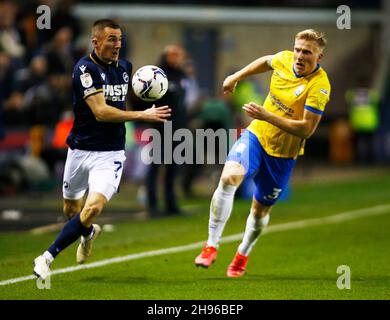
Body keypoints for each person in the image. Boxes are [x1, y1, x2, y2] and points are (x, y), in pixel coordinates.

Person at [33, 19, 171, 280]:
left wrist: (152, 94)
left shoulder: (126, 68)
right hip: (80, 149)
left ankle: (46, 257)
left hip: (111, 154)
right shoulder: (84, 69)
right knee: (72, 211)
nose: (117, 44)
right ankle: (88, 233)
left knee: (93, 207)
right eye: (111, 39)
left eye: (119, 39)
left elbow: (126, 100)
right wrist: (143, 115)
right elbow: (101, 112)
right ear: (95, 41)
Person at [194, 29, 331, 277]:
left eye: (307, 52)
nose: (299, 56)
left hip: (283, 155)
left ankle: (242, 253)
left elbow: (307, 130)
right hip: (257, 135)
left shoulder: (319, 87)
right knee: (227, 178)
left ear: (318, 57)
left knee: (259, 211)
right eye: (298, 49)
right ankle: (211, 245)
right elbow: (266, 60)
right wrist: (235, 76)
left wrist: (267, 114)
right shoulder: (285, 59)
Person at [145, 44, 188, 217]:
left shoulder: (182, 75)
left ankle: (171, 204)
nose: (176, 58)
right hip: (160, 127)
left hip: (178, 128)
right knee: (155, 166)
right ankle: (152, 204)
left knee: (173, 167)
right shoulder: (157, 75)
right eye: (172, 54)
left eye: (178, 54)